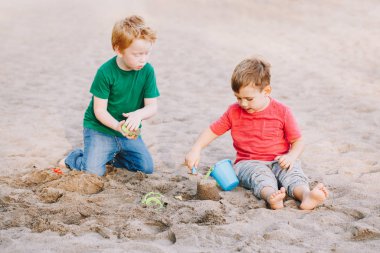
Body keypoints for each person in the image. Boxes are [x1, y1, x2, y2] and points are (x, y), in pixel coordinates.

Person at [185, 57, 328, 210]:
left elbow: (298, 140)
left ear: (266, 91)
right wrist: (196, 149)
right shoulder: (233, 112)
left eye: (249, 99)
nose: (243, 104)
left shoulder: (282, 111)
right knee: (260, 177)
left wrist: (291, 156)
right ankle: (271, 197)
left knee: (293, 173)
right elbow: (213, 130)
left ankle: (306, 195)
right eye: (238, 98)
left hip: (279, 159)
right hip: (248, 162)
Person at [59, 15, 159, 177]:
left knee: (145, 167)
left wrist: (139, 114)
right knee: (93, 172)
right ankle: (75, 158)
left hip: (127, 134)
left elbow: (152, 106)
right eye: (137, 54)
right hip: (100, 129)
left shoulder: (148, 71)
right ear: (118, 50)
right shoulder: (105, 72)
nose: (143, 59)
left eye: (147, 53)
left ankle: (107, 156)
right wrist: (117, 126)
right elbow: (99, 111)